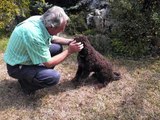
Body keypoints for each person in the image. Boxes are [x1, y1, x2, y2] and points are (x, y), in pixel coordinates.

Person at [3, 6, 84, 95]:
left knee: (58, 48)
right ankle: (26, 85)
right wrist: (69, 51)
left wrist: (68, 42)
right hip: (16, 66)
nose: (63, 29)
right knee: (53, 77)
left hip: (25, 56)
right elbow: (48, 63)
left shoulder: (41, 20)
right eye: (62, 27)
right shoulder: (33, 35)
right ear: (51, 27)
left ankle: (34, 74)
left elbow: (52, 37)